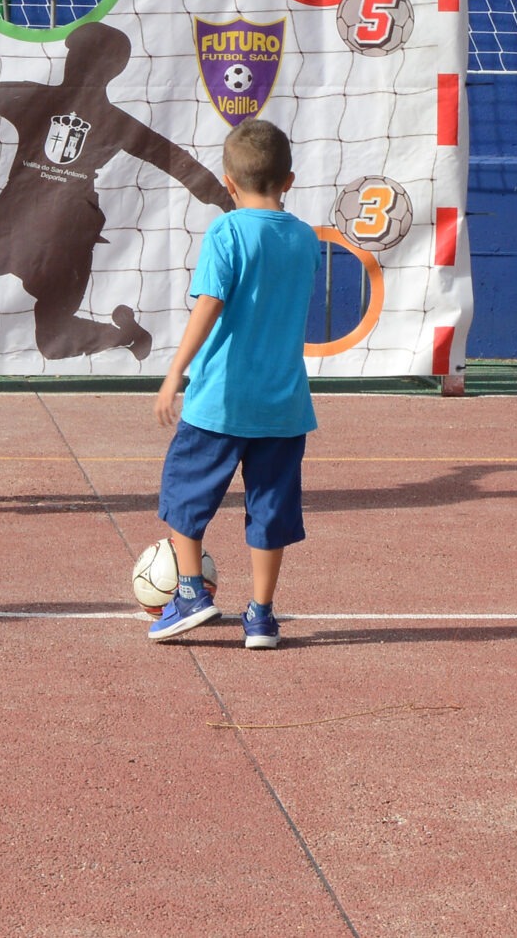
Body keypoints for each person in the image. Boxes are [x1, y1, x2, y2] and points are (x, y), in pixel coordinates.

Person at [0, 22, 233, 371]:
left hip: (63, 249)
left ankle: (126, 336)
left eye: (83, 55)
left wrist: (226, 199)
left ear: (107, 69)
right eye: (75, 54)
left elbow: (176, 162)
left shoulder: (115, 123)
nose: (75, 61)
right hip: (9, 230)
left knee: (53, 342)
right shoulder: (36, 97)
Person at [146, 118, 320, 649]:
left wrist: (175, 371)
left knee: (183, 494)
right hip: (284, 405)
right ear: (289, 180)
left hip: (221, 400)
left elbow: (211, 303)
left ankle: (190, 593)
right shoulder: (305, 238)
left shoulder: (226, 231)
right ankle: (261, 617)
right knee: (270, 510)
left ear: (227, 182)